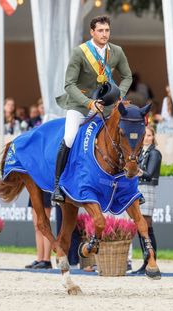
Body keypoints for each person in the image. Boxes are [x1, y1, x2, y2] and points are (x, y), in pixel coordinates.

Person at [52, 15, 132, 202]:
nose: (105, 34)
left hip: (106, 104)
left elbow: (127, 76)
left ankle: (128, 185)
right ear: (92, 32)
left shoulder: (117, 51)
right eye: (101, 31)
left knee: (121, 135)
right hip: (80, 104)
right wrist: (89, 103)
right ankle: (58, 184)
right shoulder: (79, 52)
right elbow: (69, 85)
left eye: (107, 30)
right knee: (70, 137)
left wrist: (119, 95)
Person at [131, 126, 162, 274]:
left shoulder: (155, 153)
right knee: (140, 226)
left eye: (149, 135)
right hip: (139, 187)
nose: (146, 138)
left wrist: (134, 171)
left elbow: (149, 173)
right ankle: (146, 261)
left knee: (147, 226)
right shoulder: (140, 152)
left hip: (148, 189)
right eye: (145, 135)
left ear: (153, 137)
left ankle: (151, 260)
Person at [25, 192, 53, 269]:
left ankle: (47, 260)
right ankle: (39, 259)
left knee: (45, 226)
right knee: (37, 227)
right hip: (34, 188)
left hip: (45, 188)